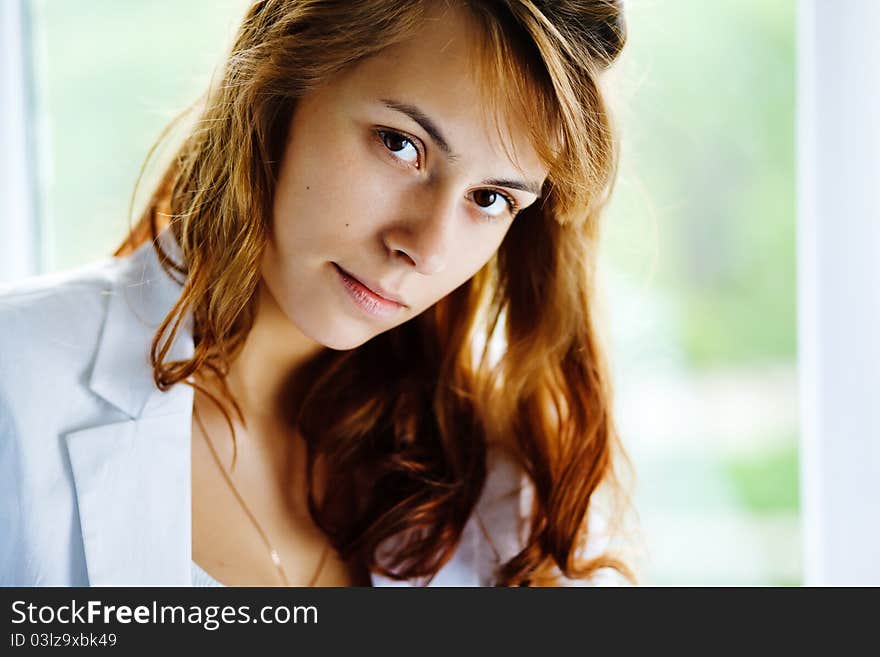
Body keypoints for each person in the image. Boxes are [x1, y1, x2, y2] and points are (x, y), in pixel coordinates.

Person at [0, 0, 633, 587]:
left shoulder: (504, 480)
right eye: (400, 144)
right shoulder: (18, 383)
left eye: (491, 198)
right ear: (280, 87)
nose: (427, 248)